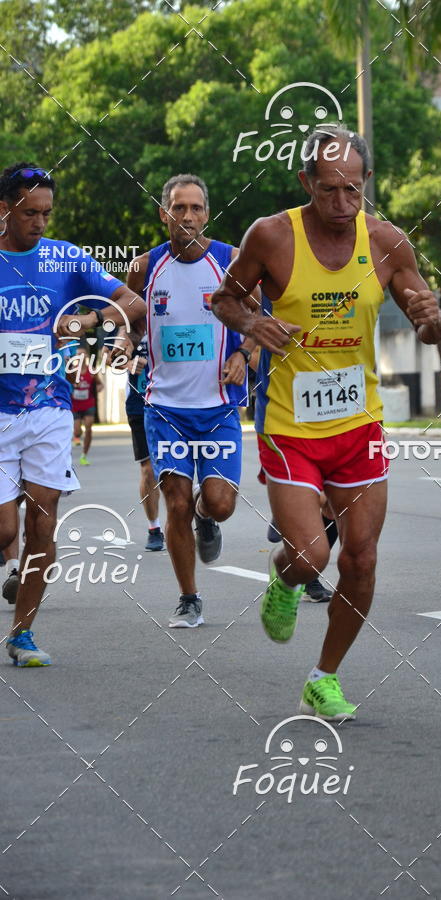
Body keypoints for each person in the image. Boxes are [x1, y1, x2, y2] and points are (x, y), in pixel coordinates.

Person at [211, 126, 441, 720]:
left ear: (366, 183)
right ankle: (284, 576)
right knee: (311, 555)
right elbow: (224, 299)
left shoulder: (387, 242)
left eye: (353, 190)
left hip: (359, 424)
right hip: (291, 425)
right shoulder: (271, 236)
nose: (342, 204)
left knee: (361, 559)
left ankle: (324, 677)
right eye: (328, 191)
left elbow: (425, 321)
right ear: (305, 183)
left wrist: (432, 320)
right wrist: (251, 324)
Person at [0, 162, 146, 666]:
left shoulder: (64, 258)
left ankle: (22, 635)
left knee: (43, 524)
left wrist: (89, 320)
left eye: (47, 213)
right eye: (30, 213)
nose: (40, 223)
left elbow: (132, 302)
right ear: (4, 209)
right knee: (5, 532)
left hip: (49, 409)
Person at [126, 173, 256, 628]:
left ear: (207, 214)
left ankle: (207, 517)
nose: (187, 216)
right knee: (176, 502)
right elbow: (133, 321)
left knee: (219, 503)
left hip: (218, 407)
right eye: (178, 208)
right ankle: (189, 597)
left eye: (196, 208)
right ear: (163, 213)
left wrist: (243, 353)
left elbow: (260, 315)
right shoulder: (145, 267)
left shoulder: (232, 261)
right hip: (165, 408)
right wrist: (126, 344)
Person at [123, 334, 165, 551]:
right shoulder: (128, 324)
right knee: (148, 470)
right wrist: (126, 362)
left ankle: (200, 514)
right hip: (139, 405)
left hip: (175, 403)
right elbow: (109, 355)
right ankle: (154, 528)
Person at [71, 345, 103, 465]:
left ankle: (84, 455)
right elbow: (66, 385)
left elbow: (100, 384)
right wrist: (73, 386)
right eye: (78, 354)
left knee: (89, 427)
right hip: (75, 405)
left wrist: (99, 388)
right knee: (77, 431)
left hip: (89, 403)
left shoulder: (92, 371)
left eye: (82, 354)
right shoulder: (72, 371)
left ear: (87, 357)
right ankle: (76, 435)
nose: (80, 356)